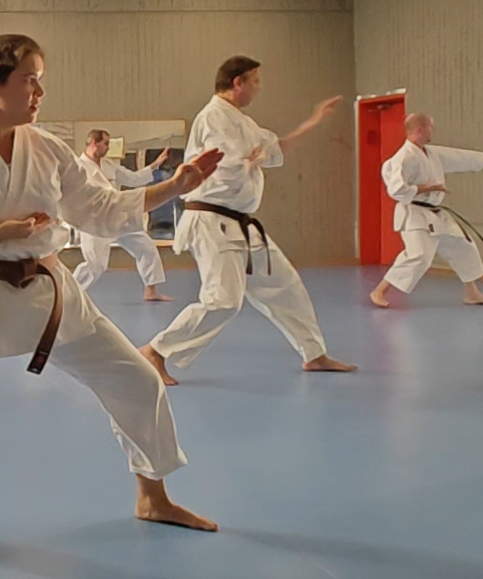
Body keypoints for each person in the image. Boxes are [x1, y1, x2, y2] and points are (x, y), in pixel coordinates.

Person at [0, 34, 224, 550]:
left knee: (139, 383)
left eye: (41, 81)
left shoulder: (47, 148)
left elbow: (100, 208)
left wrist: (174, 186)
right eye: (29, 80)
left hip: (52, 294)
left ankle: (152, 496)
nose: (39, 93)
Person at [139, 56, 357, 386]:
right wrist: (251, 160)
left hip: (238, 223)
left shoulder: (243, 122)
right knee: (223, 300)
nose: (259, 87)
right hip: (211, 220)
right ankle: (155, 351)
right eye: (255, 81)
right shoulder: (214, 116)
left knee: (285, 286)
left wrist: (313, 121)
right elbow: (225, 165)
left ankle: (314, 354)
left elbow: (275, 148)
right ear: (237, 82)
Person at [368, 114, 483, 308]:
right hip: (413, 214)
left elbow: (457, 157)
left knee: (463, 246)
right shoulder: (404, 157)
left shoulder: (431, 153)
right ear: (420, 130)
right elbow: (396, 190)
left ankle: (472, 293)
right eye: (431, 127)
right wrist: (427, 188)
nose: (434, 131)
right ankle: (379, 291)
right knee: (419, 256)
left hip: (435, 214)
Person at [71, 129, 173, 303]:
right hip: (95, 221)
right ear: (94, 142)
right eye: (106, 143)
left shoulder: (109, 165)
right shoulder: (77, 167)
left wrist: (156, 164)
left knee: (147, 248)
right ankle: (68, 294)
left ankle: (151, 291)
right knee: (96, 265)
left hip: (117, 215)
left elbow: (134, 179)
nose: (108, 148)